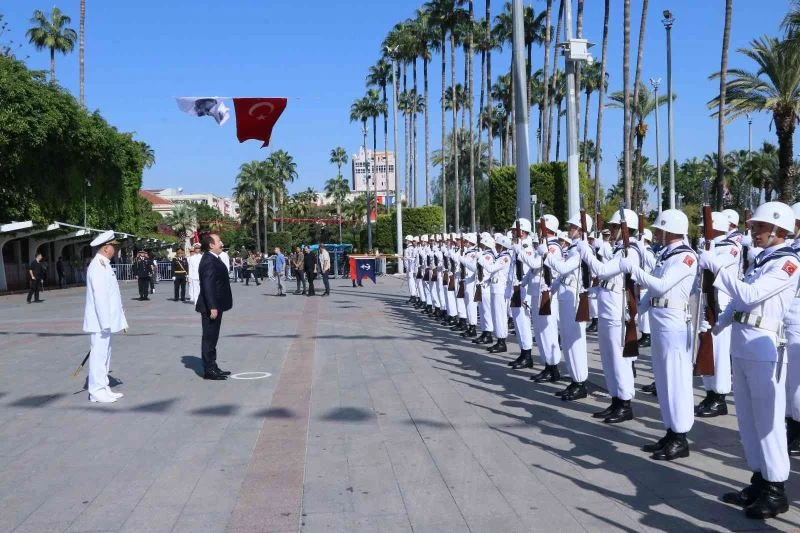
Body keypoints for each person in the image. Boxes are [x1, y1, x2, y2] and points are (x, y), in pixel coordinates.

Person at [699, 201, 799, 519]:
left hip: (765, 347)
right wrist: (718, 325)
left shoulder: (788, 263)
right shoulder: (761, 259)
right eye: (753, 227)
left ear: (778, 230)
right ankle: (758, 480)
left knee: (768, 423)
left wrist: (720, 267)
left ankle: (775, 489)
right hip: (743, 343)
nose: (753, 232)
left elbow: (750, 295)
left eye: (759, 227)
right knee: (747, 420)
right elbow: (739, 304)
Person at [621, 209, 697, 461]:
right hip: (659, 320)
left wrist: (634, 270)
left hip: (674, 323)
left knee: (676, 381)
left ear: (671, 230)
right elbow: (654, 291)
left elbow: (662, 285)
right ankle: (670, 430)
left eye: (660, 229)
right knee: (663, 380)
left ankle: (680, 436)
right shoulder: (667, 255)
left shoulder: (686, 257)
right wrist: (636, 312)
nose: (657, 233)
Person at [577, 208, 644, 424]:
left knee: (619, 360)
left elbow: (604, 272)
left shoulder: (630, 250)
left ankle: (625, 402)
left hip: (618, 312)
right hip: (607, 309)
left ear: (626, 228)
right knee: (608, 359)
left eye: (615, 227)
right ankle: (615, 399)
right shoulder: (618, 250)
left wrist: (586, 253)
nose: (612, 230)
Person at [83, 231, 128, 403]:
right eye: (113, 247)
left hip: (105, 321)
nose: (115, 250)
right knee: (98, 356)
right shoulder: (97, 266)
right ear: (106, 248)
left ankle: (103, 386)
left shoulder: (104, 264)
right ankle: (96, 390)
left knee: (105, 355)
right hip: (100, 322)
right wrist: (105, 322)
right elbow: (100, 297)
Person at [195, 233, 233, 381]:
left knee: (213, 337)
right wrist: (212, 306)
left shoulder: (213, 258)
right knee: (209, 337)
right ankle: (209, 370)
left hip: (216, 304)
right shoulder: (209, 260)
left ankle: (213, 365)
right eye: (219, 241)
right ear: (211, 245)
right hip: (211, 307)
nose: (222, 243)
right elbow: (208, 285)